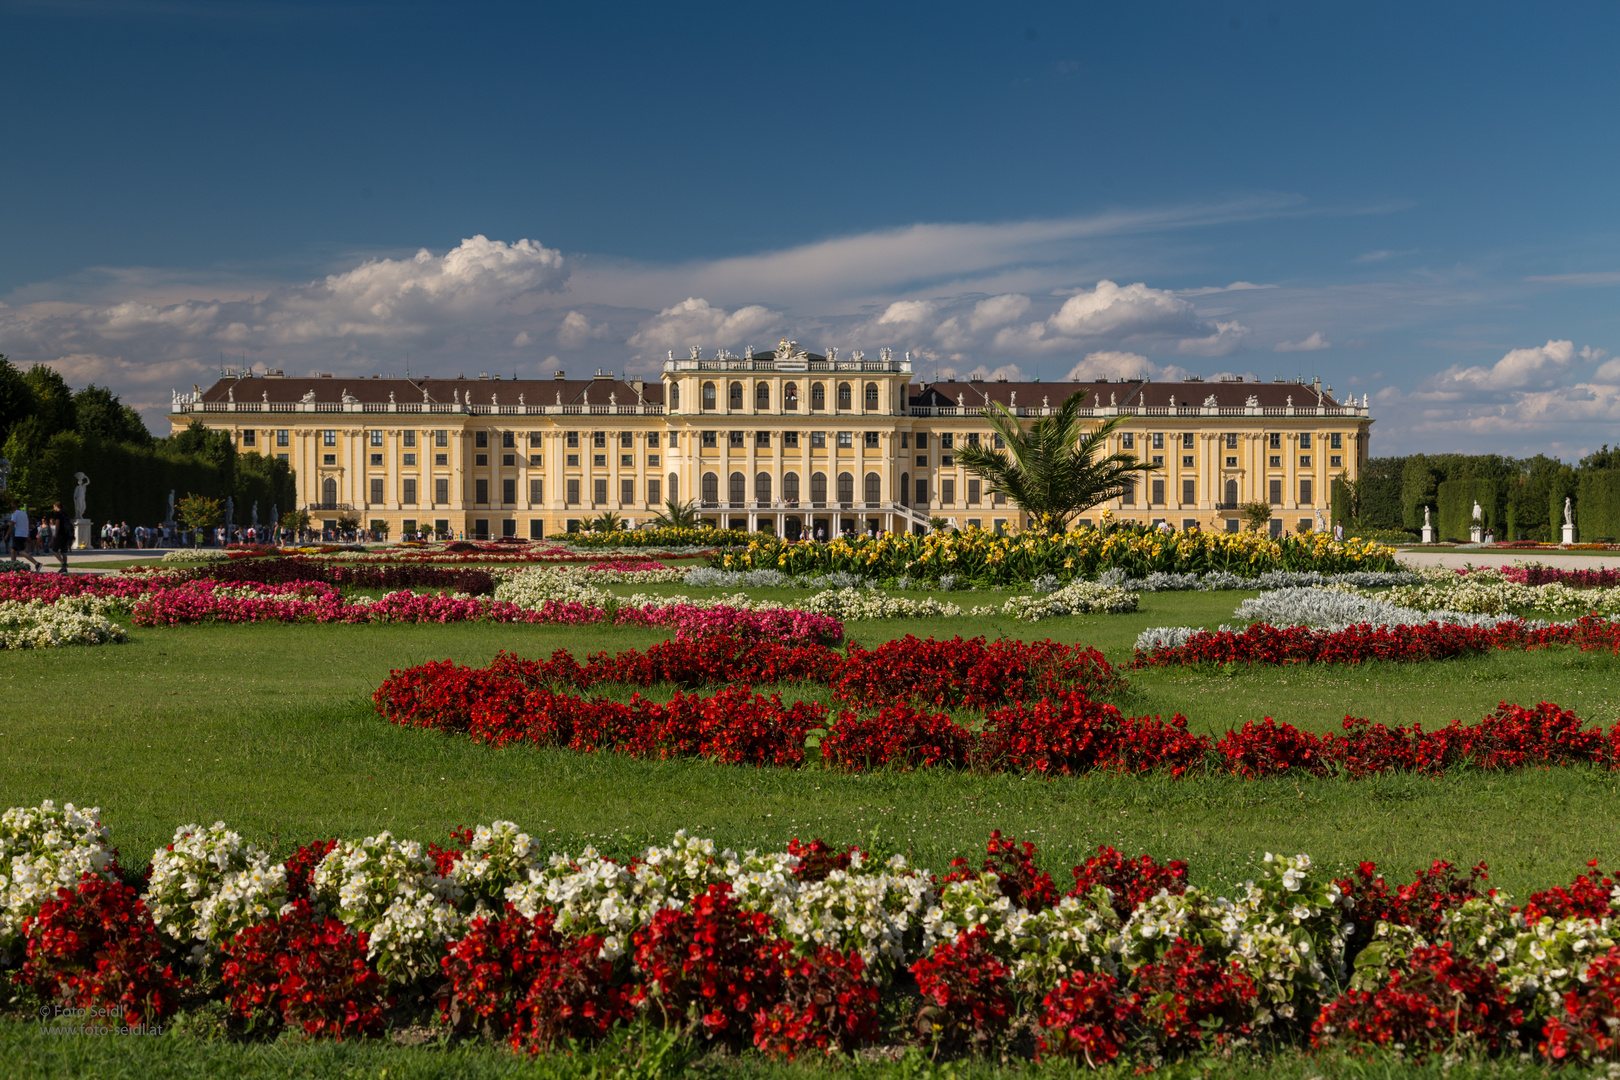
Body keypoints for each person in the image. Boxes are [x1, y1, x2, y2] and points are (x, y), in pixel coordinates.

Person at [9, 504, 39, 570]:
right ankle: (12, 565)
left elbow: (12, 524)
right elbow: (26, 525)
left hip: (18, 534)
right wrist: (27, 535)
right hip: (23, 534)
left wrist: (7, 534)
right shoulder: (24, 514)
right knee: (13, 550)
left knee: (21, 551)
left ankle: (36, 563)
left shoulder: (15, 514)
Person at [48, 500, 70, 574]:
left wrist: (55, 534)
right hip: (66, 534)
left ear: (56, 506)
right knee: (63, 551)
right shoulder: (65, 513)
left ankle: (63, 564)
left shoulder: (58, 514)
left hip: (60, 534)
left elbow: (57, 524)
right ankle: (64, 569)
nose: (54, 508)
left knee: (54, 550)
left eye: (54, 507)